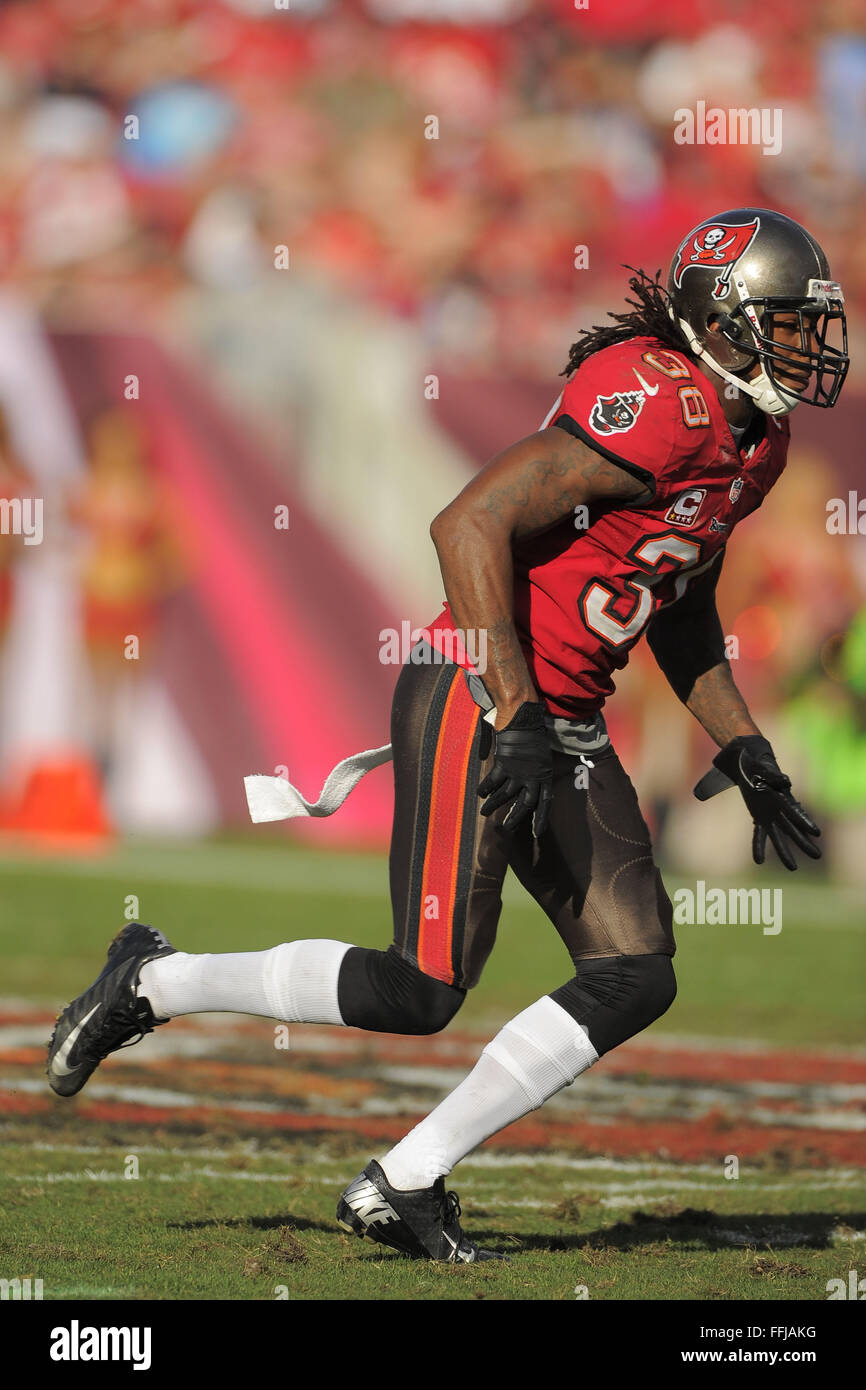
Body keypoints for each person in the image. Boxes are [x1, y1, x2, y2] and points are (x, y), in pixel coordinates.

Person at [47, 208, 848, 1263]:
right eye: (784, 321)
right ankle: (152, 981)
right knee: (419, 989)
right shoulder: (656, 399)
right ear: (720, 320)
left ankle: (403, 1178)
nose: (806, 344)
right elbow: (465, 521)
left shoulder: (759, 440)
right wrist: (513, 709)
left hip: (560, 715)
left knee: (634, 969)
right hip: (480, 693)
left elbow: (679, 602)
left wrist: (740, 743)